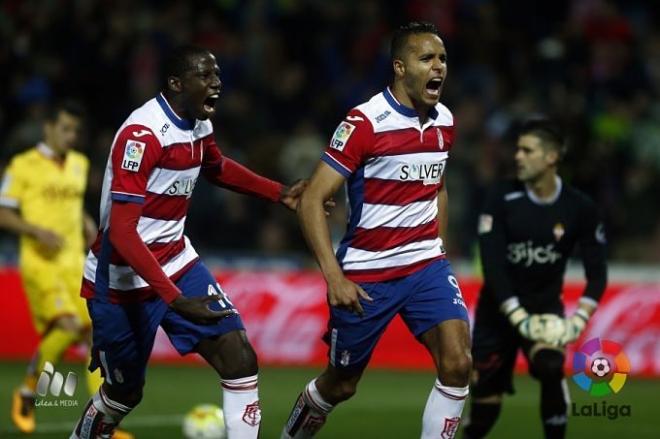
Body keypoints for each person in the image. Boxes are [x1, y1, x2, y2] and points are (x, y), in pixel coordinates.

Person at [68, 45, 308, 439]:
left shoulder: (199, 124)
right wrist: (174, 299)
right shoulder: (142, 135)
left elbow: (217, 167)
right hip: (122, 278)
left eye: (217, 75)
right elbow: (123, 234)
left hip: (177, 261)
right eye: (206, 76)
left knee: (239, 357)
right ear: (176, 83)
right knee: (124, 393)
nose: (217, 83)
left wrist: (279, 193)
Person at [281, 21, 471, 439]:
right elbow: (312, 200)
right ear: (401, 67)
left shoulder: (444, 120)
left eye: (442, 58)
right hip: (368, 274)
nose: (438, 66)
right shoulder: (365, 122)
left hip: (425, 264)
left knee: (458, 363)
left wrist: (438, 242)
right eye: (427, 58)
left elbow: (438, 186)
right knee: (341, 384)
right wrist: (334, 277)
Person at [462, 118, 608, 439]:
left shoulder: (579, 207)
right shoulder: (501, 197)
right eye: (517, 149)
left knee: (550, 367)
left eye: (528, 150)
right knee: (485, 409)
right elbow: (493, 265)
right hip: (496, 314)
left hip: (544, 310)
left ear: (551, 157)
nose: (518, 156)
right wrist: (517, 316)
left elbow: (597, 274)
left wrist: (579, 320)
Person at [1, 101, 133, 439]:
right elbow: (3, 212)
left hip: (74, 260)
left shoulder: (79, 163)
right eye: (65, 129)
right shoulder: (23, 165)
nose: (71, 137)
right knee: (70, 325)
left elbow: (73, 206)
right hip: (40, 262)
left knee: (94, 335)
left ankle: (101, 420)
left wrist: (89, 224)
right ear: (48, 128)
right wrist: (35, 230)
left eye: (75, 131)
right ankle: (28, 392)